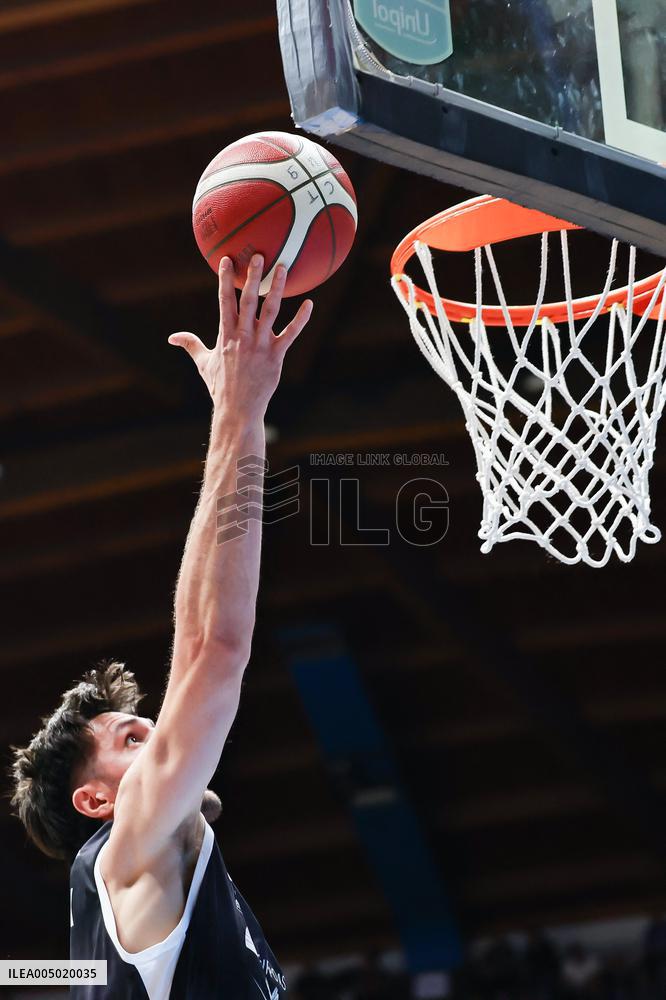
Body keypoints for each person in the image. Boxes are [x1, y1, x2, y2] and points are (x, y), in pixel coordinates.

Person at [10, 254, 313, 999]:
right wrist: (239, 412)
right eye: (133, 740)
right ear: (96, 801)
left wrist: (233, 416)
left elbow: (200, 648)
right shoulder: (131, 849)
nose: (171, 736)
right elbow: (214, 650)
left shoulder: (130, 886)